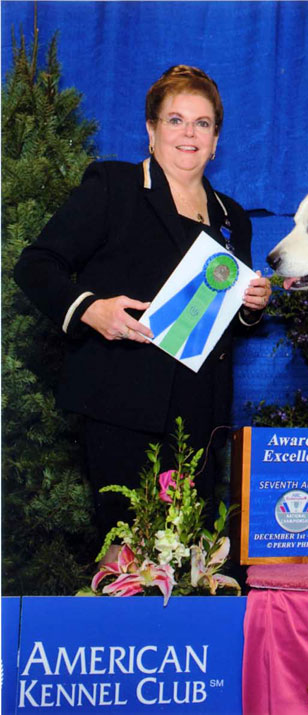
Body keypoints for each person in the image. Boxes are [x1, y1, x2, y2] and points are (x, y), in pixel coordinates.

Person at [14, 65, 272, 540]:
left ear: (216, 140)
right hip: (121, 407)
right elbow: (36, 265)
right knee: (127, 558)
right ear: (151, 131)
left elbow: (224, 319)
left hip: (200, 415)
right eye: (175, 120)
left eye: (202, 123)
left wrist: (251, 305)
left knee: (194, 556)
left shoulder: (232, 216)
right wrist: (92, 309)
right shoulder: (114, 187)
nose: (188, 134)